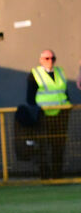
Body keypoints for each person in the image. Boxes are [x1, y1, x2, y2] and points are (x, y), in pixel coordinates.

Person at [26, 48, 71, 179]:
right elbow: (30, 97)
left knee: (58, 146)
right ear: (41, 60)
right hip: (43, 115)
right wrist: (35, 112)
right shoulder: (35, 74)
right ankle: (44, 176)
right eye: (47, 58)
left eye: (52, 58)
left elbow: (65, 91)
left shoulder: (60, 72)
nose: (50, 61)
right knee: (42, 146)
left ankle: (57, 176)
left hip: (61, 115)